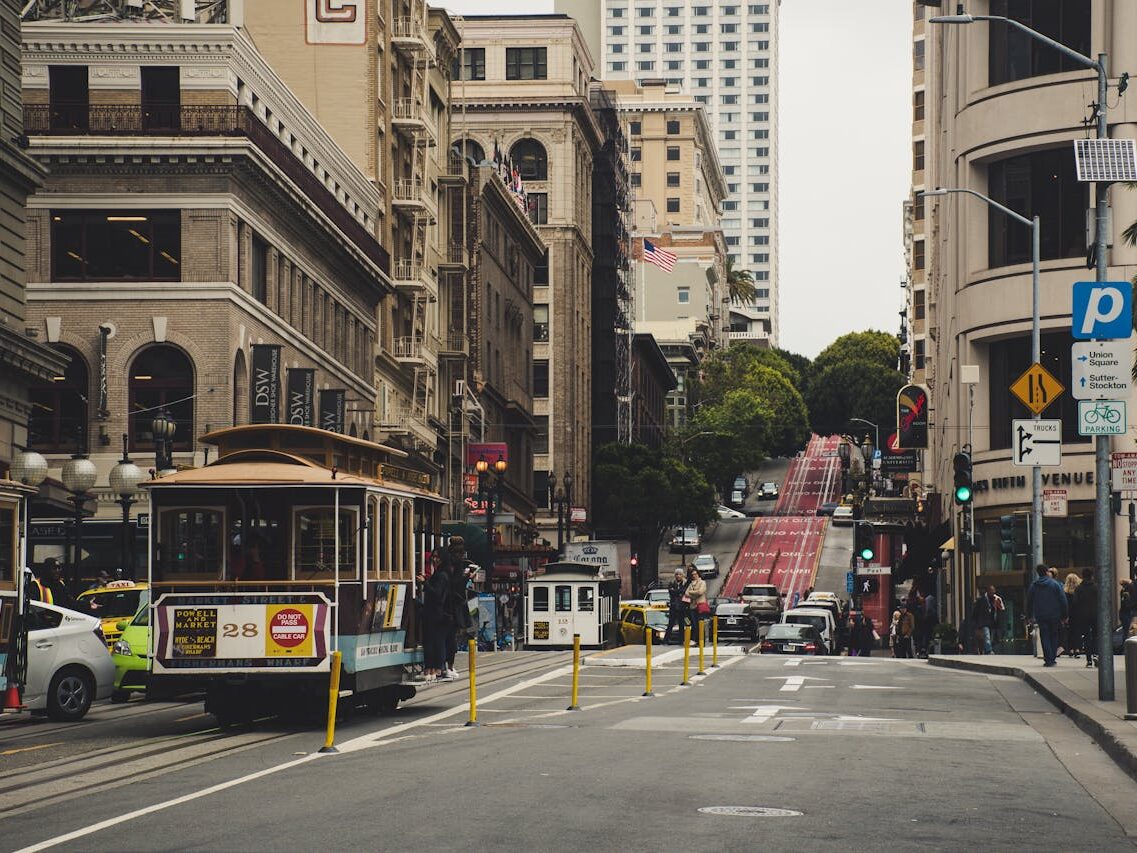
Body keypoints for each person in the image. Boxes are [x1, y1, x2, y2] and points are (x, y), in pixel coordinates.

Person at [1026, 563, 1068, 667]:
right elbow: (1063, 600)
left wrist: (1029, 616)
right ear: (1046, 572)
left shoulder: (1034, 585)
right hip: (1054, 615)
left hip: (1040, 615)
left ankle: (1048, 658)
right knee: (1054, 635)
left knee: (1044, 635)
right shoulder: (1055, 584)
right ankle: (1052, 658)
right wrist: (1064, 615)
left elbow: (1029, 602)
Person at [420, 555, 453, 682]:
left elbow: (437, 595)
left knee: (434, 642)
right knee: (434, 641)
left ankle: (435, 669)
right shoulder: (441, 574)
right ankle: (433, 669)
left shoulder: (441, 575)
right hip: (435, 614)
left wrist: (425, 583)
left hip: (435, 614)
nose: (434, 560)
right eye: (433, 557)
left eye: (437, 557)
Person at [1073, 568, 1099, 668]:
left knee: (1087, 637)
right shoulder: (1096, 587)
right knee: (1096, 635)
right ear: (1091, 576)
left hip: (1083, 615)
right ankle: (1096, 653)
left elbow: (1075, 602)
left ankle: (1088, 660)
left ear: (1083, 576)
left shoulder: (1079, 588)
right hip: (1095, 614)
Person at [665, 569, 689, 644]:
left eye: (680, 574)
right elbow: (671, 592)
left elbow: (684, 591)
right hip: (674, 606)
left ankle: (681, 640)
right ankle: (666, 640)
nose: (678, 576)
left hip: (682, 607)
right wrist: (678, 592)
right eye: (677, 574)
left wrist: (676, 591)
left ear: (682, 575)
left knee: (681, 624)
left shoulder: (685, 583)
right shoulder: (672, 583)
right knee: (670, 624)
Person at [971, 587, 998, 655]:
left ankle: (986, 649)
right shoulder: (981, 600)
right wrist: (976, 623)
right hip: (983, 622)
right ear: (988, 591)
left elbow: (994, 611)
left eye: (994, 592)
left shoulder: (994, 600)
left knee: (989, 637)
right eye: (992, 592)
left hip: (991, 623)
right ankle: (988, 650)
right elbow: (975, 612)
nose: (993, 594)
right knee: (986, 636)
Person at [685, 567, 708, 646]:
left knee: (700, 624)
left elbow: (701, 592)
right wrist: (695, 593)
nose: (694, 576)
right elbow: (686, 593)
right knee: (694, 624)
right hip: (692, 607)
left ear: (698, 574)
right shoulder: (691, 584)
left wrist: (692, 593)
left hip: (700, 606)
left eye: (695, 574)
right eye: (692, 574)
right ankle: (696, 640)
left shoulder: (702, 582)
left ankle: (702, 641)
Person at [1063, 573, 1082, 656]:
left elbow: (1064, 605)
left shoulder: (1065, 593)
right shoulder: (1079, 591)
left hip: (1069, 614)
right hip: (1078, 614)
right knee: (1077, 631)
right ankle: (1077, 648)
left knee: (1069, 632)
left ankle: (1070, 649)